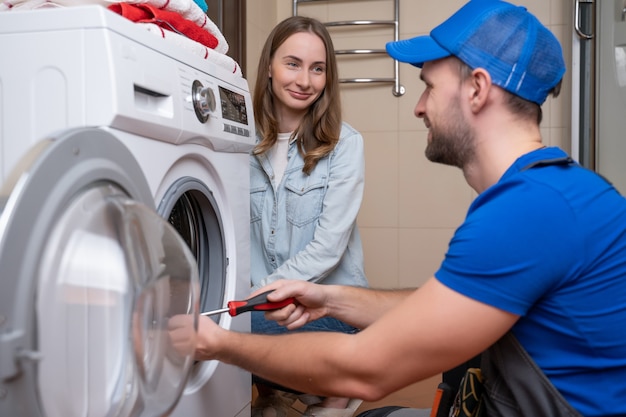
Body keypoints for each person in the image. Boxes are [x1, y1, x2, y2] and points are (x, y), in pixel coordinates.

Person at [169, 1, 626, 416]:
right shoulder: (543, 194)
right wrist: (332, 298)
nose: (419, 107)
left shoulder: (529, 213)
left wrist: (218, 343)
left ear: (477, 89)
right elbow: (439, 308)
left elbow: (365, 371)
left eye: (429, 85)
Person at [248, 15, 368, 417]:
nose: (305, 80)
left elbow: (327, 249)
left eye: (318, 69)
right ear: (269, 66)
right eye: (293, 64)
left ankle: (336, 390)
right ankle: (287, 388)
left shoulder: (345, 145)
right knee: (215, 326)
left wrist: (252, 297)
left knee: (224, 329)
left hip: (329, 310)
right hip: (271, 306)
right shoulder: (238, 143)